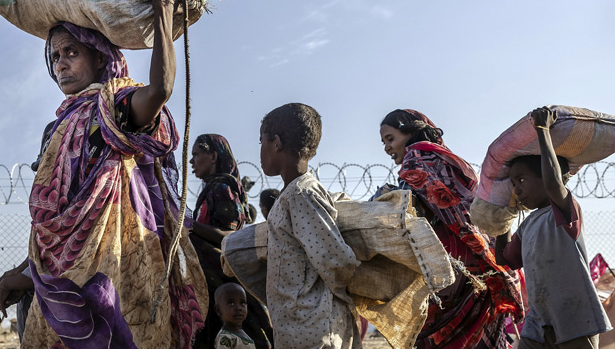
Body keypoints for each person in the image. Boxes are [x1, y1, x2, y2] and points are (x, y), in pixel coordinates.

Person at [0, 0, 208, 349]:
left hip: (116, 274)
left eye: (72, 53)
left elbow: (160, 90)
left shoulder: (114, 108)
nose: (61, 64)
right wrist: (24, 273)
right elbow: (59, 227)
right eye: (56, 56)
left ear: (99, 56)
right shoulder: (57, 127)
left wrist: (162, 10)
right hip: (59, 289)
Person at [378, 109, 523, 349]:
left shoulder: (416, 159)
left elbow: (409, 215)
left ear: (410, 132)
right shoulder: (449, 159)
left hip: (450, 272)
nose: (386, 148)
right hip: (479, 264)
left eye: (390, 139)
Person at [495, 107, 611, 349]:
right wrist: (504, 212)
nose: (517, 189)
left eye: (522, 180)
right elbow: (504, 258)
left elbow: (553, 183)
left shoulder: (565, 210)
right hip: (539, 324)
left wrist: (542, 131)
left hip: (576, 320)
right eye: (513, 183)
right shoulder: (527, 226)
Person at [260, 103, 362, 349]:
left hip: (314, 330)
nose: (260, 150)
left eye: (261, 141)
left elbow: (338, 261)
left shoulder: (301, 194)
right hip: (297, 329)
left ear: (276, 142)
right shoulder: (290, 195)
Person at [190, 134, 273, 349]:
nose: (191, 161)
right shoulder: (212, 188)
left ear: (214, 156)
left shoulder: (222, 189)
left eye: (196, 154)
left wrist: (189, 226)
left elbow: (230, 236)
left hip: (224, 283)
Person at [213, 283, 255, 349]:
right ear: (218, 310)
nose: (238, 308)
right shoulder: (225, 338)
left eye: (242, 303)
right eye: (231, 303)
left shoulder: (240, 332)